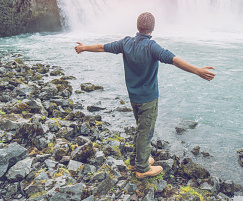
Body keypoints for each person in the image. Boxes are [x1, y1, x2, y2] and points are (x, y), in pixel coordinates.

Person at [74, 12, 216, 179]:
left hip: (134, 97)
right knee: (146, 131)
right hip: (148, 98)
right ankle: (142, 168)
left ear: (138, 26)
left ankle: (136, 160)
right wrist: (197, 70)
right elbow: (174, 59)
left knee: (141, 128)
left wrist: (83, 48)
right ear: (152, 29)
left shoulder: (125, 43)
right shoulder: (152, 47)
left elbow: (101, 47)